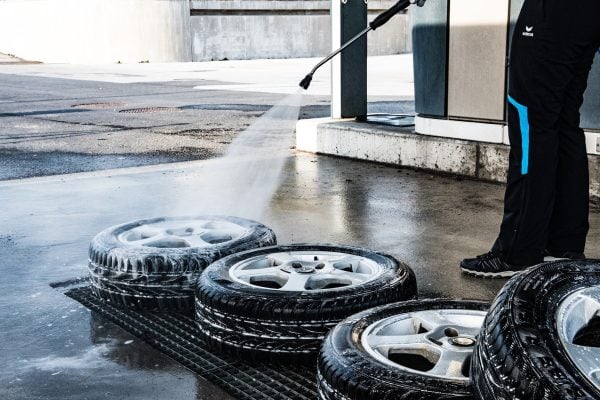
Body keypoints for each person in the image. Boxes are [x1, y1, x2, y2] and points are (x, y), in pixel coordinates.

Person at [460, 0, 600, 278]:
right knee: (563, 121)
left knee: (530, 119)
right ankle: (564, 244)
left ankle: (516, 252)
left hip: (553, 14)